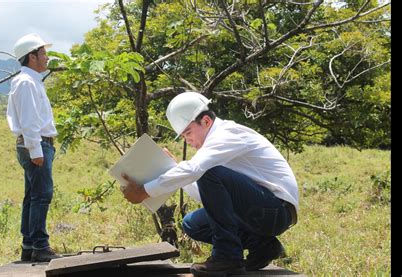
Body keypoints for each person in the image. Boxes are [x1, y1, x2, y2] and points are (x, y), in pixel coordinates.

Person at [120, 91, 298, 276]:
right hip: (261, 212)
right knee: (192, 224)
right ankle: (263, 247)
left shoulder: (227, 134)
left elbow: (197, 170)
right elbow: (206, 194)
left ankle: (227, 257)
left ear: (206, 121)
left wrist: (145, 191)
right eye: (182, 136)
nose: (187, 140)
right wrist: (173, 169)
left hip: (276, 211)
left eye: (188, 132)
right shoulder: (213, 148)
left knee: (207, 171)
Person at [6, 33, 62, 263]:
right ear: (32, 56)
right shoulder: (27, 82)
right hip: (35, 144)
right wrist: (36, 149)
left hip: (34, 144)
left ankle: (29, 245)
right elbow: (29, 120)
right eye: (43, 53)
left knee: (32, 196)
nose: (47, 57)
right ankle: (40, 245)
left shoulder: (29, 81)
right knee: (42, 195)